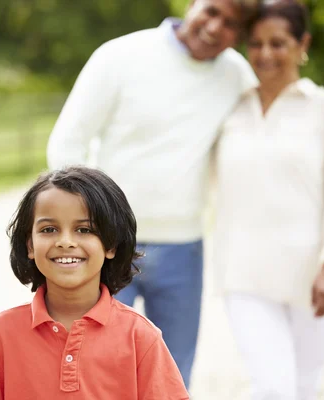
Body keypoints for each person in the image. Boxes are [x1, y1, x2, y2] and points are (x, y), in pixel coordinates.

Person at [46, 0, 261, 388]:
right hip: (108, 243)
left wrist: (322, 109)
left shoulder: (236, 74)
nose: (215, 27)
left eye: (231, 24)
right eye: (211, 11)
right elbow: (68, 140)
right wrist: (86, 227)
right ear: (193, 4)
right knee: (95, 368)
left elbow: (273, 115)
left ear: (241, 35)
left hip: (185, 247)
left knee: (173, 373)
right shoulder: (121, 55)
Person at [0, 166, 189, 399]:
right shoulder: (0, 334)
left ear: (110, 244)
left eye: (84, 229)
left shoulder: (140, 337)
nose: (65, 241)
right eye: (49, 229)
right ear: (30, 245)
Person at [212, 1, 324, 399]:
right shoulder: (228, 108)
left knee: (305, 387)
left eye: (278, 43)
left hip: (311, 278)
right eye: (257, 44)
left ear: (303, 43)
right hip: (243, 275)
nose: (266, 54)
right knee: (274, 388)